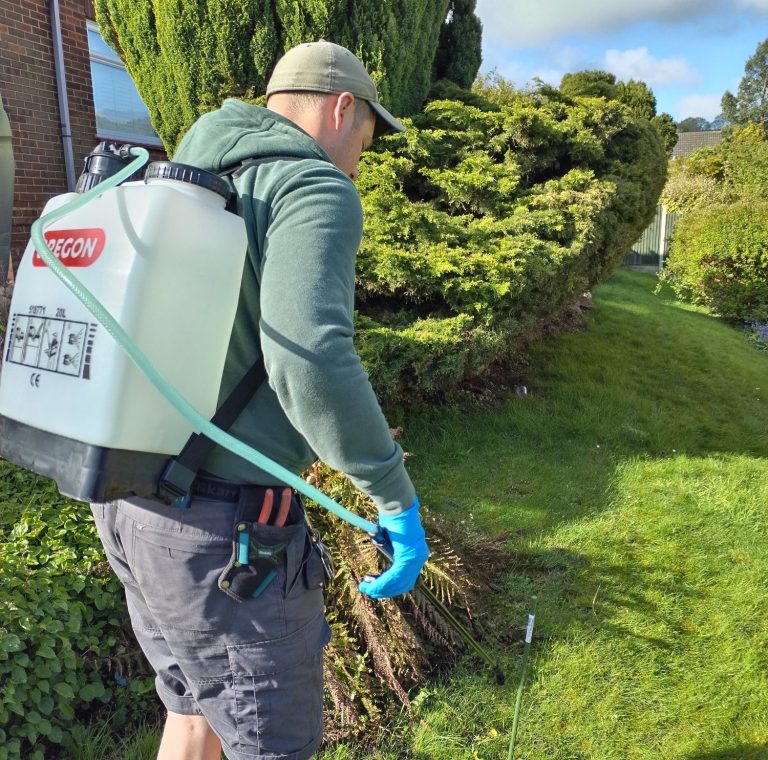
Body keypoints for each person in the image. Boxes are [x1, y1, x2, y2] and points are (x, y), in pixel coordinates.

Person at [90, 40, 429, 760]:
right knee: (273, 744)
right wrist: (392, 494)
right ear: (343, 108)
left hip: (129, 503)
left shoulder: (190, 177)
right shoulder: (311, 188)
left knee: (192, 713)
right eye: (365, 140)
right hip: (226, 536)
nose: (359, 160)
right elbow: (310, 358)